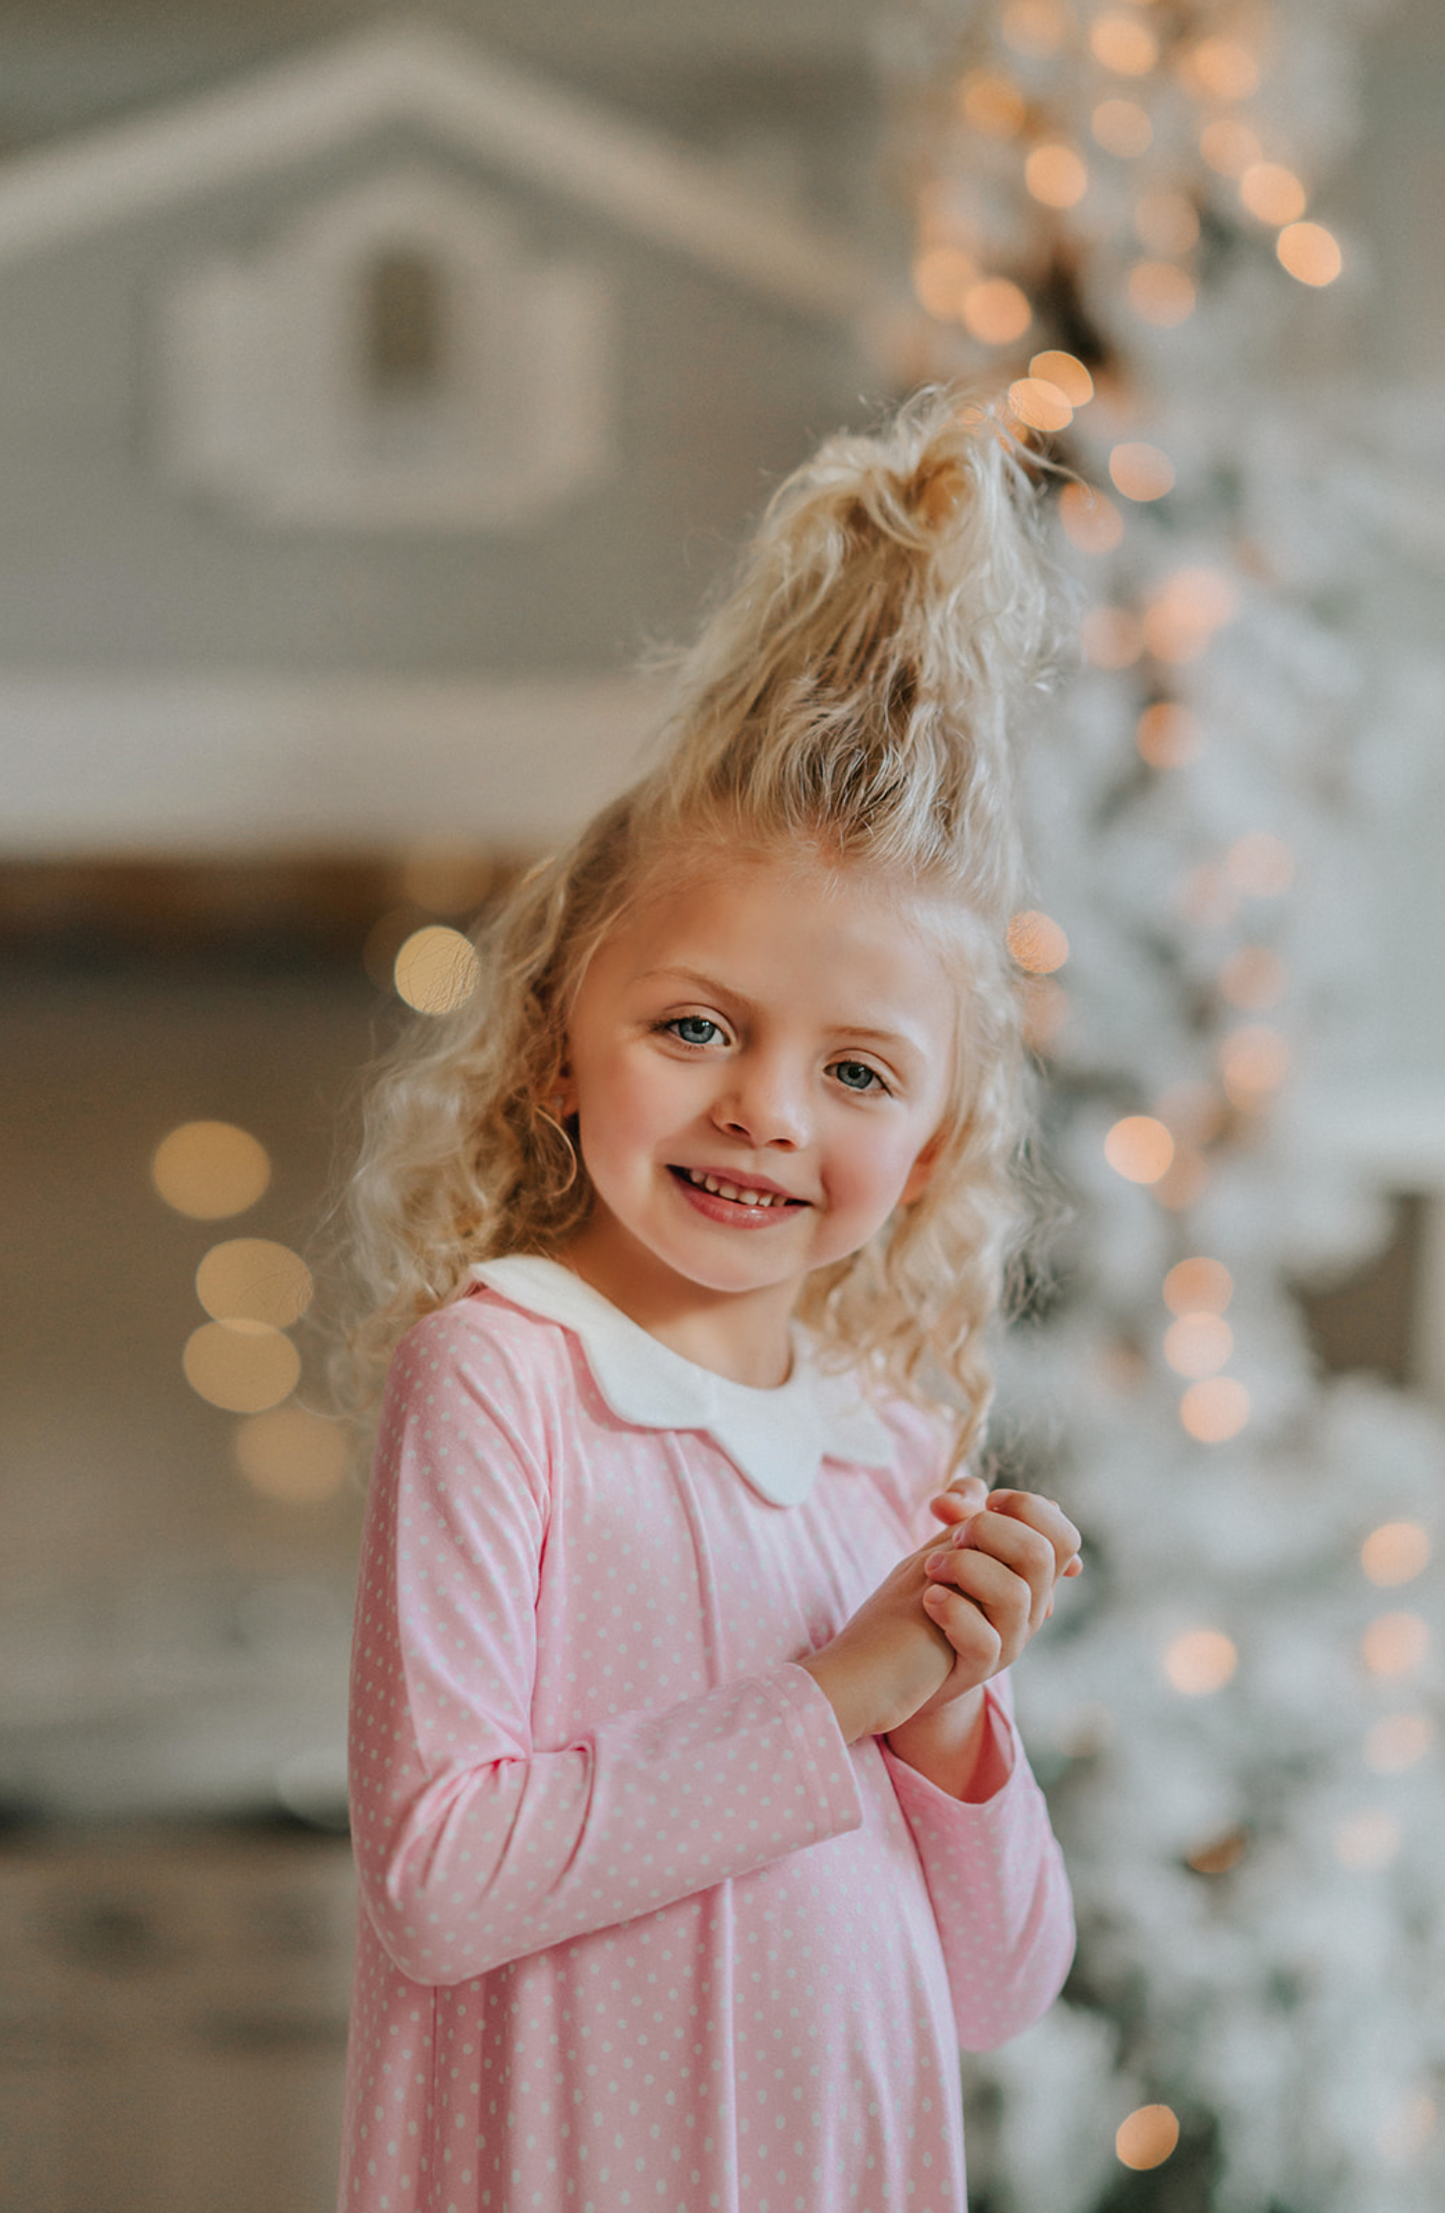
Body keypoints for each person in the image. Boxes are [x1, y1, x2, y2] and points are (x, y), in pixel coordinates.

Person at [335, 389, 1081, 2213]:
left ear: (934, 1138)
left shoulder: (886, 1445)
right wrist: (841, 1687)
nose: (763, 1107)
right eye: (694, 1027)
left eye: (859, 1072)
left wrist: (949, 1719)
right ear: (553, 1053)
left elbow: (1001, 1987)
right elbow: (441, 1883)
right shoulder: (503, 1373)